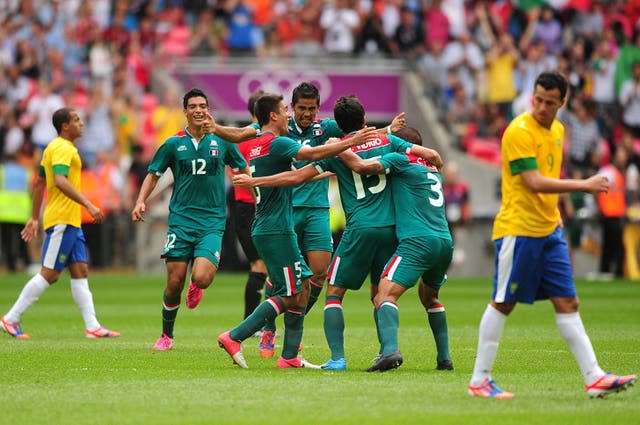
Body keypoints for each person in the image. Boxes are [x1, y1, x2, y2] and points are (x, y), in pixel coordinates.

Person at [233, 99, 446, 371]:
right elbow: (428, 154)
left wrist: (256, 181)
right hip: (392, 231)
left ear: (335, 121)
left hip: (359, 230)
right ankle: (387, 350)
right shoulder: (390, 143)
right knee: (381, 294)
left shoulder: (337, 152)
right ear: (364, 118)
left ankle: (337, 359)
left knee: (334, 293)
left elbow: (297, 178)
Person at [467, 71, 636, 399]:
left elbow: (548, 177)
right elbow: (533, 181)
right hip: (519, 230)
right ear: (533, 96)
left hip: (549, 230)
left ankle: (594, 377)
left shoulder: (558, 129)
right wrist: (584, 184)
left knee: (568, 301)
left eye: (550, 102)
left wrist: (557, 216)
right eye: (538, 99)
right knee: (504, 302)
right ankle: (479, 380)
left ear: (563, 102)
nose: (542, 107)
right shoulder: (518, 131)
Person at [213, 82, 405, 357]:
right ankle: (269, 330)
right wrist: (215, 128)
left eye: (312, 109)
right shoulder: (278, 130)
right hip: (286, 210)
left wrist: (387, 131)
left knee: (318, 272)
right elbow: (241, 133)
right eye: (301, 108)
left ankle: (293, 331)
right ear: (289, 108)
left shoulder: (325, 128)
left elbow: (358, 134)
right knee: (287, 279)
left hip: (316, 208)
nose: (307, 114)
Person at [131, 88, 248, 351]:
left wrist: (254, 192)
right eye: (193, 106)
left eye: (203, 105)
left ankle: (197, 286)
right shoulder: (173, 144)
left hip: (212, 221)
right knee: (174, 282)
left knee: (203, 277)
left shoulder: (222, 140)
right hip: (182, 220)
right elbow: (154, 173)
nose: (198, 110)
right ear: (185, 111)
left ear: (208, 109)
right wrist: (141, 200)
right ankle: (166, 335)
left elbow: (241, 167)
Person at [336, 128, 452, 372]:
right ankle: (444, 358)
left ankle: (389, 352)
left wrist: (337, 147)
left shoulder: (400, 159)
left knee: (384, 295)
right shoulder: (432, 166)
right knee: (430, 297)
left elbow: (362, 167)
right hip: (444, 241)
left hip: (417, 241)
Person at [1, 107, 119, 339]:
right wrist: (88, 203)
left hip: (69, 220)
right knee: (50, 273)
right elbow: (59, 181)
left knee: (80, 270)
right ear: (65, 126)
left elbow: (39, 184)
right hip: (63, 219)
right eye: (76, 119)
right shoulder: (63, 148)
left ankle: (92, 326)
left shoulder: (52, 148)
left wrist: (34, 218)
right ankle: (10, 318)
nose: (81, 123)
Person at [230, 90, 269, 327]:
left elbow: (231, 169)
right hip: (250, 207)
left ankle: (259, 323)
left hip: (250, 206)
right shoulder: (252, 138)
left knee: (268, 266)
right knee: (260, 264)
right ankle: (251, 323)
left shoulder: (241, 139)